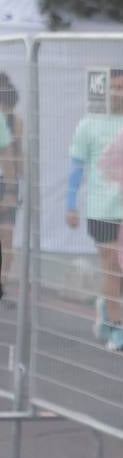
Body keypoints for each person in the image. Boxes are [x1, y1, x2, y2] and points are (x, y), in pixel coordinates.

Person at [66, 68, 123, 351]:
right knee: (111, 267)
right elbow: (76, 166)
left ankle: (106, 304)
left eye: (122, 87)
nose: (117, 92)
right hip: (100, 208)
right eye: (113, 87)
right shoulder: (89, 124)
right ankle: (116, 331)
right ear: (105, 91)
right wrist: (70, 204)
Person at [0, 74, 23, 294]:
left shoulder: (15, 121)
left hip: (7, 182)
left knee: (6, 236)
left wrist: (16, 187)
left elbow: (17, 153)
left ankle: (2, 283)